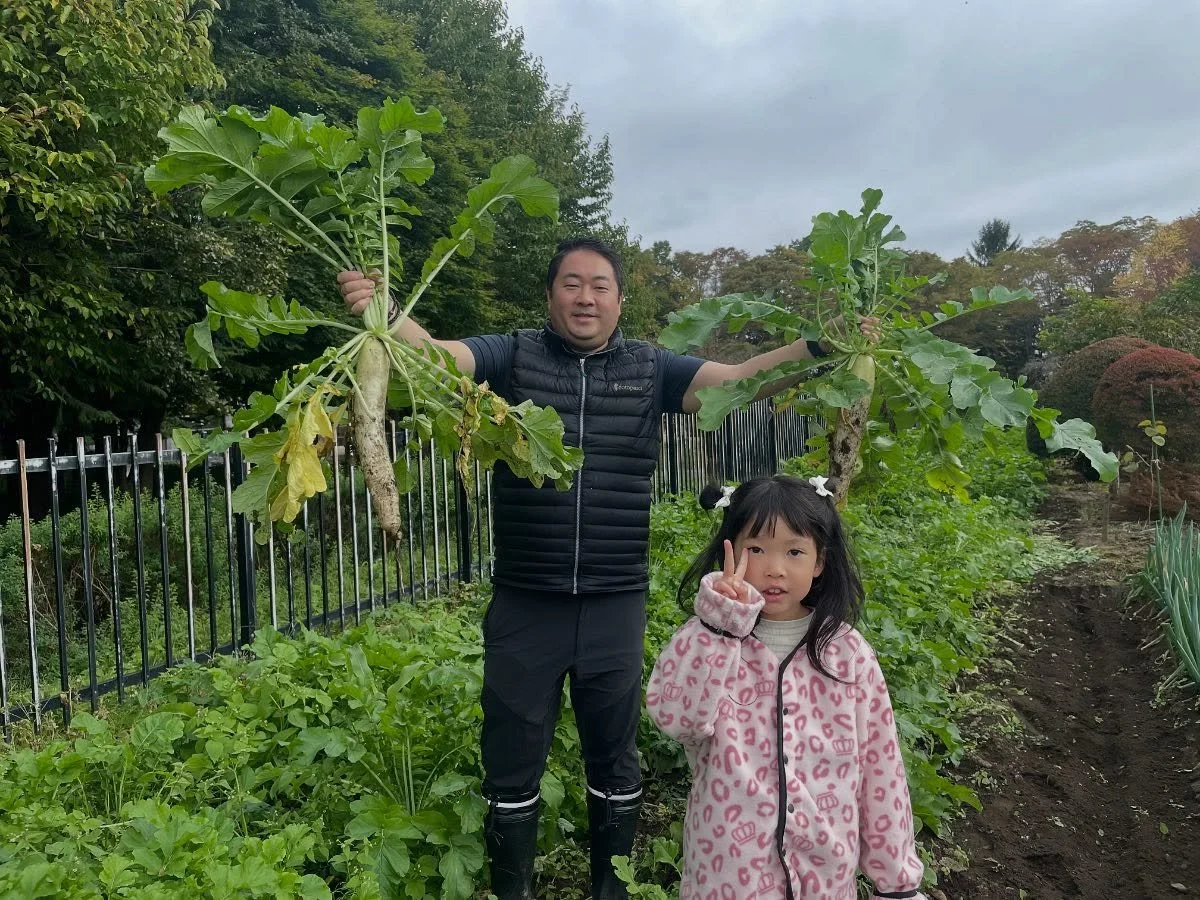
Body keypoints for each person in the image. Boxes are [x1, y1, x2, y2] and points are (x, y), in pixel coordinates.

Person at [337, 237, 877, 899]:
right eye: (571, 283)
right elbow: (443, 362)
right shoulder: (512, 356)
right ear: (550, 296)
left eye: (599, 286)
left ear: (620, 300)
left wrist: (818, 346)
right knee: (510, 754)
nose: (585, 297)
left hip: (613, 601)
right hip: (526, 600)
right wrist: (389, 315)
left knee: (614, 754)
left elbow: (740, 381)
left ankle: (610, 890)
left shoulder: (651, 369)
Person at [645, 475, 927, 900]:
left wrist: (897, 883)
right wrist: (720, 624)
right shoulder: (705, 639)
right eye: (756, 549)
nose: (774, 568)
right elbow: (676, 720)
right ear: (730, 551)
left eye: (794, 551)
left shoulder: (848, 654)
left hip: (825, 875)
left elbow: (881, 770)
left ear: (819, 561)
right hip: (728, 874)